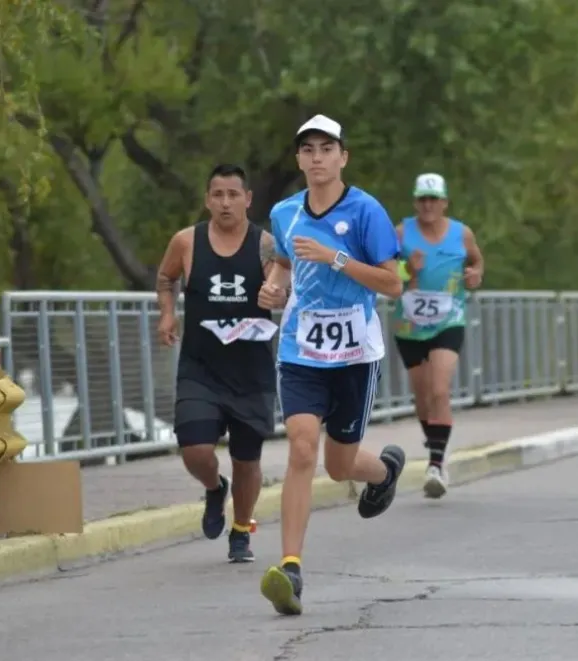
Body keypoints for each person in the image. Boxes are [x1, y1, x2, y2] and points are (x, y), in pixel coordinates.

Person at [256, 114, 407, 616]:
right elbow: (283, 259)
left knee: (340, 464)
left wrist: (334, 258)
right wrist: (275, 286)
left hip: (354, 353)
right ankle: (291, 569)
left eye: (326, 148)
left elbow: (392, 284)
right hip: (301, 348)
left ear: (343, 156)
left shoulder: (366, 212)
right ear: (298, 159)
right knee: (302, 449)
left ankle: (382, 472)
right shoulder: (284, 212)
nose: (317, 158)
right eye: (308, 150)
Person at [155, 163, 279, 563]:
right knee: (194, 449)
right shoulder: (187, 242)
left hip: (250, 369)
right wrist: (168, 313)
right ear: (208, 199)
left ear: (248, 199)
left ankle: (241, 530)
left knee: (247, 460)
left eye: (233, 195)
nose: (225, 203)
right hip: (201, 368)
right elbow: (165, 278)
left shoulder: (266, 246)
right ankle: (213, 487)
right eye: (218, 195)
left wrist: (277, 296)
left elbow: (285, 290)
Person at [392, 173, 484, 499]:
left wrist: (475, 275)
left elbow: (477, 261)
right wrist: (408, 270)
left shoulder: (462, 233)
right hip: (409, 325)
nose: (428, 205)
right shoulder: (402, 233)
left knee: (439, 388)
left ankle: (435, 464)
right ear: (416, 202)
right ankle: (434, 444)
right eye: (422, 199)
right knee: (422, 396)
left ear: (444, 202)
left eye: (434, 199)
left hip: (449, 319)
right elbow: (384, 273)